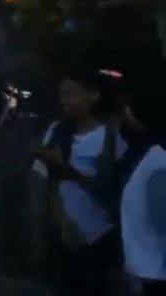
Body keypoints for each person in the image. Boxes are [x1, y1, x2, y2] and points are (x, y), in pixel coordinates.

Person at [33, 71, 127, 295]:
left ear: (93, 96)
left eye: (71, 95)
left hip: (101, 235)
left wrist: (65, 168)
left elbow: (111, 190)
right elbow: (46, 183)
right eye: (62, 95)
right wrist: (62, 222)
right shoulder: (57, 132)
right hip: (63, 235)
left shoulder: (111, 137)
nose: (64, 101)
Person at [120, 75, 165, 295]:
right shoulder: (149, 155)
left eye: (129, 107)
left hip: (155, 275)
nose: (125, 113)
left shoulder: (158, 162)